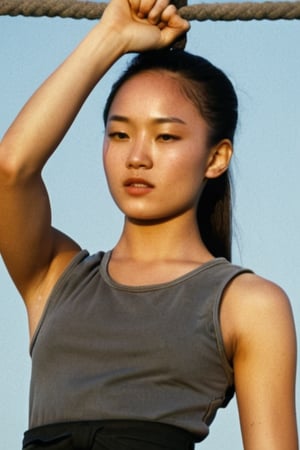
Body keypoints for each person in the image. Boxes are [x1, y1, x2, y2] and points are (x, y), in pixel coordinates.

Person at [0, 0, 298, 448]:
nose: (137, 157)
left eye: (166, 136)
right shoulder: (55, 277)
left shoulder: (248, 304)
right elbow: (11, 169)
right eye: (120, 134)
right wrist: (111, 37)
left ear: (216, 157)